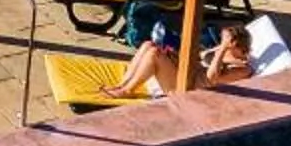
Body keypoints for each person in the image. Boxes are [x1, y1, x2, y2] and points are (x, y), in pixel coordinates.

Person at [103, 21, 253, 101]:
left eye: (225, 40)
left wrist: (221, 49)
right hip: (185, 74)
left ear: (234, 44)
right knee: (149, 45)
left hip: (187, 89)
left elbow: (212, 78)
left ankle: (127, 91)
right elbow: (198, 59)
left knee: (155, 54)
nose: (221, 43)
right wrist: (175, 53)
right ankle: (122, 85)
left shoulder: (242, 68)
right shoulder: (221, 51)